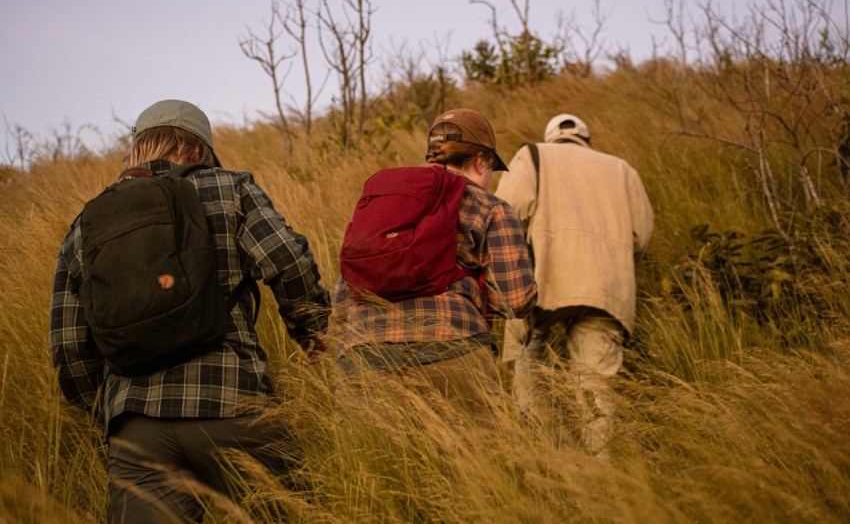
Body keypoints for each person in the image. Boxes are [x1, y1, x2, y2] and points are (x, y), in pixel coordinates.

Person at [49, 99, 330, 522]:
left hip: (136, 428)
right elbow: (287, 260)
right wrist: (312, 330)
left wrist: (104, 412)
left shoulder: (89, 221)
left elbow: (69, 344)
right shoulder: (230, 188)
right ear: (200, 151)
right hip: (232, 402)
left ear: (137, 150)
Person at [331, 108, 537, 420]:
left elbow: (339, 306)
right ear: (481, 161)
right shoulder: (492, 208)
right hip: (455, 350)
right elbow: (516, 300)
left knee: (373, 466)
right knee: (480, 464)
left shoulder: (390, 201)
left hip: (363, 358)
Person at [495, 113, 654, 456]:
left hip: (543, 282)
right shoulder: (622, 169)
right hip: (606, 286)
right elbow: (640, 238)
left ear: (551, 137)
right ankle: (601, 472)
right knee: (596, 387)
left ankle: (540, 455)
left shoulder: (533, 155)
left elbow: (506, 214)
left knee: (529, 365)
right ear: (586, 139)